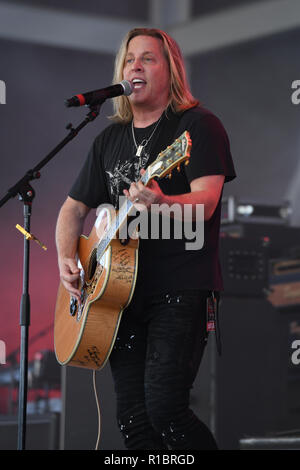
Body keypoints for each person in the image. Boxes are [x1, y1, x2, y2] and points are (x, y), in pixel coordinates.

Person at [55, 27, 236, 450]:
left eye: (148, 58)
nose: (135, 66)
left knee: (165, 410)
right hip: (119, 297)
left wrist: (159, 201)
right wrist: (67, 255)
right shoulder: (108, 139)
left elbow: (207, 203)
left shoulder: (196, 127)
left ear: (170, 71)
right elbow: (71, 210)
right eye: (129, 59)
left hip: (180, 288)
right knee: (134, 423)